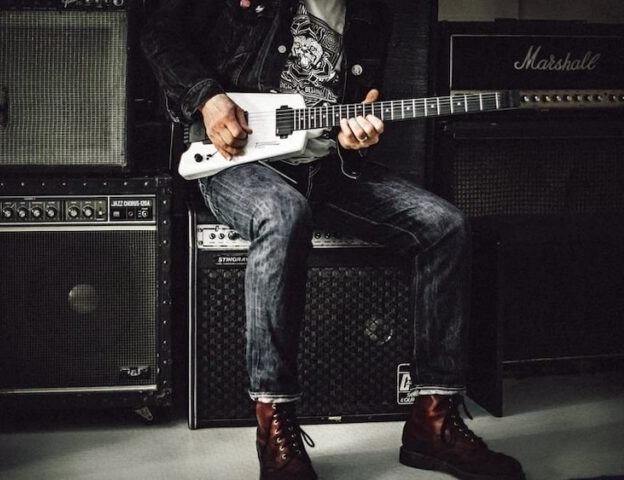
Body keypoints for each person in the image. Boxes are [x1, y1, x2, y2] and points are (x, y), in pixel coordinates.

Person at [141, 1, 525, 479]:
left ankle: (433, 421)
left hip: (328, 170)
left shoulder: (371, 14)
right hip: (236, 164)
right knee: (283, 213)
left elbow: (356, 111)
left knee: (444, 225)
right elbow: (158, 33)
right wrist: (208, 98)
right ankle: (274, 422)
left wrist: (355, 137)